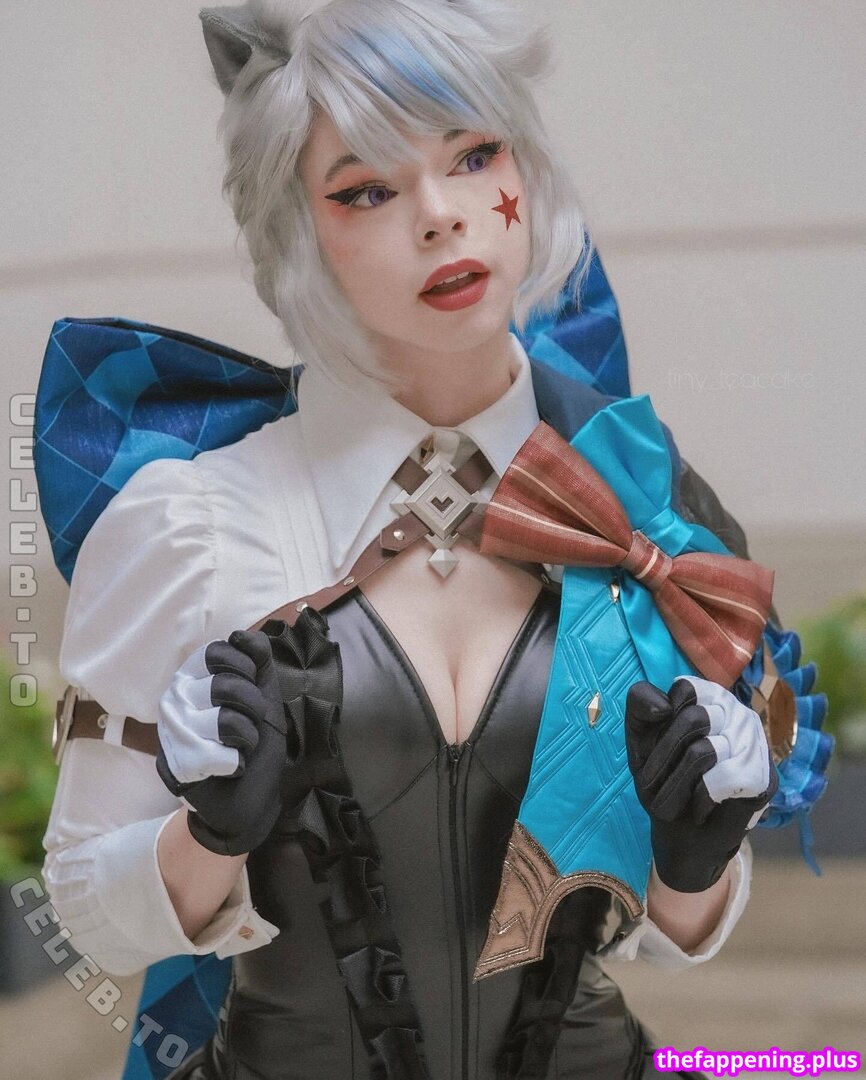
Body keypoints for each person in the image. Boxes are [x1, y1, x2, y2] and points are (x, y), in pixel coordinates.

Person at [42, 2, 786, 1076]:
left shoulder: (629, 507)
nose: (440, 216)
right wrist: (204, 839)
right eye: (366, 191)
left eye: (473, 154)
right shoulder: (193, 525)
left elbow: (667, 933)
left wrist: (695, 853)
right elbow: (81, 911)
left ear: (523, 166)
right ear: (296, 231)